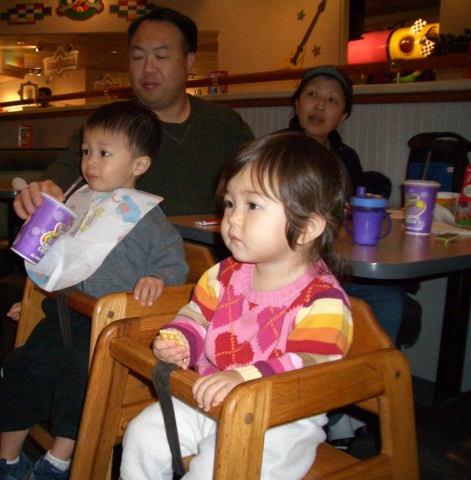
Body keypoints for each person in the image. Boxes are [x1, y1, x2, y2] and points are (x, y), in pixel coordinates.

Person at [120, 133, 353, 480]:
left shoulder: (322, 300)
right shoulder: (224, 275)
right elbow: (196, 314)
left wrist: (243, 378)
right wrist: (181, 339)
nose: (232, 219)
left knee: (217, 464)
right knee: (142, 433)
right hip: (211, 396)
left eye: (253, 205)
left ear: (306, 227)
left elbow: (311, 366)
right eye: (230, 204)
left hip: (279, 421)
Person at [0, 101, 189, 480]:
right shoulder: (80, 203)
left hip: (110, 329)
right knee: (23, 365)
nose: (90, 162)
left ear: (139, 165)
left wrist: (158, 277)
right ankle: (7, 460)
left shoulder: (147, 216)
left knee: (82, 377)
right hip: (64, 312)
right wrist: (32, 294)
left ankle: (58, 461)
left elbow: (175, 262)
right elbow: (60, 259)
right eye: (86, 151)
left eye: (104, 153)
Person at [13, 7, 255, 220]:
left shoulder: (226, 124)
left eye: (161, 56)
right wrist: (44, 189)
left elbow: (261, 186)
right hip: (135, 262)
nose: (147, 68)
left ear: (188, 61)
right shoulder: (111, 125)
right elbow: (66, 172)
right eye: (138, 57)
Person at [284, 65, 410, 450]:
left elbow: (345, 215)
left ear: (344, 115)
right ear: (297, 102)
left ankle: (344, 410)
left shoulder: (345, 157)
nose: (320, 105)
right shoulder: (279, 150)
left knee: (388, 301)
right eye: (312, 95)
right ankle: (331, 416)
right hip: (289, 272)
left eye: (332, 100)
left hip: (330, 268)